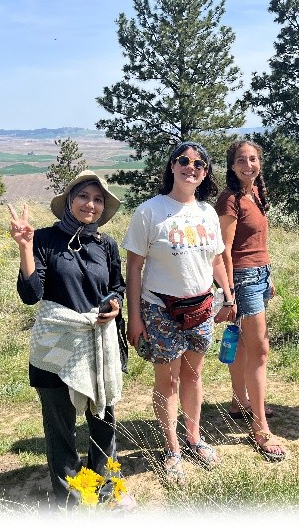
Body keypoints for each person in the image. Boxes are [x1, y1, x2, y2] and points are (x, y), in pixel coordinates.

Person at [8, 170, 134, 509]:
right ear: (69, 201)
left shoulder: (105, 244)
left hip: (98, 346)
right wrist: (25, 247)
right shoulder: (45, 240)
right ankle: (70, 496)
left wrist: (115, 303)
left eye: (97, 199)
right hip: (55, 348)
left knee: (103, 418)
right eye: (83, 197)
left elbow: (117, 286)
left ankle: (104, 488)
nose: (90, 205)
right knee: (60, 424)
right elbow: (31, 294)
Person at [122, 141, 233, 485]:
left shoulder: (208, 213)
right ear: (172, 166)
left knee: (193, 376)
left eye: (199, 164)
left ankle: (194, 438)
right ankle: (172, 451)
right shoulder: (150, 211)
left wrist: (228, 294)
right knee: (166, 381)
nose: (191, 167)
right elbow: (135, 267)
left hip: (201, 307)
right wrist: (135, 316)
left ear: (205, 173)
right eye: (184, 161)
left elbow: (216, 259)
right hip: (160, 310)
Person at [214, 139, 286, 461]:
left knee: (244, 344)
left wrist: (268, 277)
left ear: (260, 163)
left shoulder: (255, 193)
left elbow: (257, 240)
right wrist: (229, 293)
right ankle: (260, 428)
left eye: (253, 159)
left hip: (260, 274)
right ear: (232, 166)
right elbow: (224, 251)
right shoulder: (230, 199)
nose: (248, 165)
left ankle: (240, 401)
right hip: (242, 279)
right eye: (241, 160)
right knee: (260, 350)